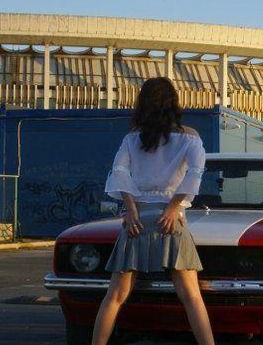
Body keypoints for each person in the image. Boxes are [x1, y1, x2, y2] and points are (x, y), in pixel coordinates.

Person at [91, 77, 215, 345]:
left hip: (137, 220)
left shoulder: (132, 139)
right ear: (173, 103)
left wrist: (130, 209)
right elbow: (195, 174)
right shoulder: (190, 137)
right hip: (171, 221)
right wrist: (172, 208)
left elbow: (119, 172)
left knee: (115, 296)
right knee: (192, 296)